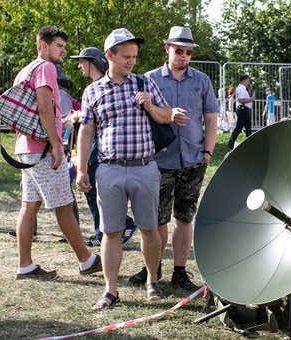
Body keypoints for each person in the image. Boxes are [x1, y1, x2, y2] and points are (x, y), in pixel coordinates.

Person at [75, 27, 172, 309]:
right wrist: (82, 169)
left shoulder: (144, 83)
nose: (131, 61)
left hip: (145, 168)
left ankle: (152, 282)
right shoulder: (92, 91)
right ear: (110, 56)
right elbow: (86, 132)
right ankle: (110, 290)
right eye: (126, 56)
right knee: (111, 231)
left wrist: (151, 107)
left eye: (134, 56)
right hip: (109, 170)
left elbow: (167, 116)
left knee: (149, 228)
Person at [127, 26, 218, 291]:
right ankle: (152, 271)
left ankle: (180, 272)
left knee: (185, 218)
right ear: (167, 48)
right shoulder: (149, 79)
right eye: (179, 50)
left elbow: (211, 118)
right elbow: (142, 117)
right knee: (157, 220)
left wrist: (207, 153)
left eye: (188, 51)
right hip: (159, 160)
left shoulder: (202, 80)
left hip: (192, 159)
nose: (184, 56)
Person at [12, 26, 102, 280]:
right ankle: (86, 260)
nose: (63, 51)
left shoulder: (25, 70)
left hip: (26, 148)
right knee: (64, 203)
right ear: (44, 46)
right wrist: (55, 146)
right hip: (42, 150)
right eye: (59, 46)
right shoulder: (45, 68)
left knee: (29, 206)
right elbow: (44, 107)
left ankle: (25, 265)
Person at [70, 46, 110, 247]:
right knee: (91, 189)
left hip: (100, 147)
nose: (79, 65)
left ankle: (108, 230)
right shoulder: (93, 87)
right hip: (94, 145)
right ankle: (100, 231)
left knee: (92, 189)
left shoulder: (100, 86)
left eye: (81, 61)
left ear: (91, 63)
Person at [228, 75, 255, 148]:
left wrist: (249, 92)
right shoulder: (240, 89)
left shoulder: (243, 89)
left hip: (244, 109)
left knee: (248, 126)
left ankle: (249, 142)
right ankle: (231, 143)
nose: (248, 82)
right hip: (242, 109)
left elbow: (244, 98)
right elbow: (241, 100)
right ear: (244, 80)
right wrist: (251, 100)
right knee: (239, 127)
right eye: (248, 80)